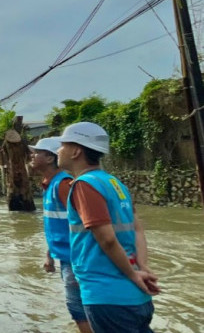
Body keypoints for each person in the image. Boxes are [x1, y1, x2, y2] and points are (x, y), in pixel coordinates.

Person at [56, 122, 160, 333]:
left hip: (108, 297)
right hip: (136, 296)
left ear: (76, 151)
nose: (59, 149)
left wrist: (133, 274)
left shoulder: (84, 185)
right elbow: (138, 229)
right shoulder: (114, 183)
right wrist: (142, 266)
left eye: (63, 145)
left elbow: (107, 239)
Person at [29, 137, 91, 333]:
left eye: (37, 152)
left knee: (79, 310)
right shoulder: (49, 185)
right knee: (79, 309)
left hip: (76, 260)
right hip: (66, 258)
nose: (32, 155)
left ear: (49, 158)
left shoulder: (63, 184)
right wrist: (50, 255)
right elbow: (60, 226)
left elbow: (86, 223)